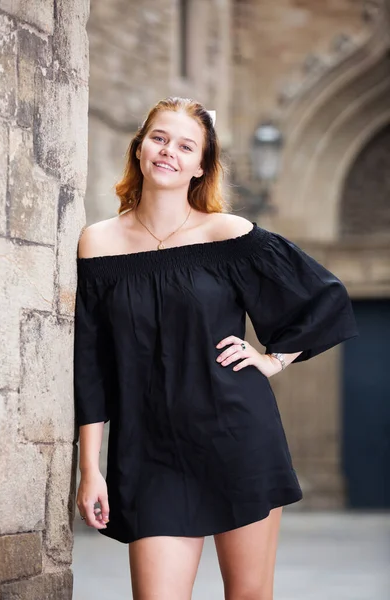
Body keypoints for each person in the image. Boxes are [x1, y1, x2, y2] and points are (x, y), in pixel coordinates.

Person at [74, 96, 358, 599]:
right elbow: (92, 364)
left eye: (186, 146)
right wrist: (89, 468)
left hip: (237, 439)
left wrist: (273, 360)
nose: (169, 152)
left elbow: (324, 298)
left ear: (200, 166)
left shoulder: (228, 235)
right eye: (159, 139)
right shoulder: (98, 243)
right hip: (149, 452)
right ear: (140, 147)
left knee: (248, 595)